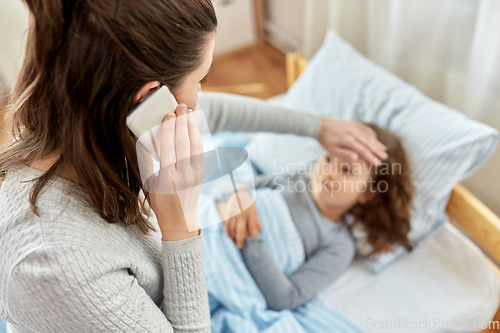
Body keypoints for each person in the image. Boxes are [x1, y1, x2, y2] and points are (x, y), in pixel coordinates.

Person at [0, 0, 387, 332]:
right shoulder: (55, 266)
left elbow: (206, 114)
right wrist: (180, 225)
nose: (202, 97)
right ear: (149, 99)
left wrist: (315, 127)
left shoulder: (77, 125)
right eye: (201, 80)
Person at [217, 124, 413, 311]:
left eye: (346, 170)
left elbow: (286, 297)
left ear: (367, 193)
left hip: (224, 266)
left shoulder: (339, 245)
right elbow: (226, 188)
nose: (329, 173)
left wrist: (250, 234)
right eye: (328, 159)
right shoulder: (298, 179)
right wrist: (239, 196)